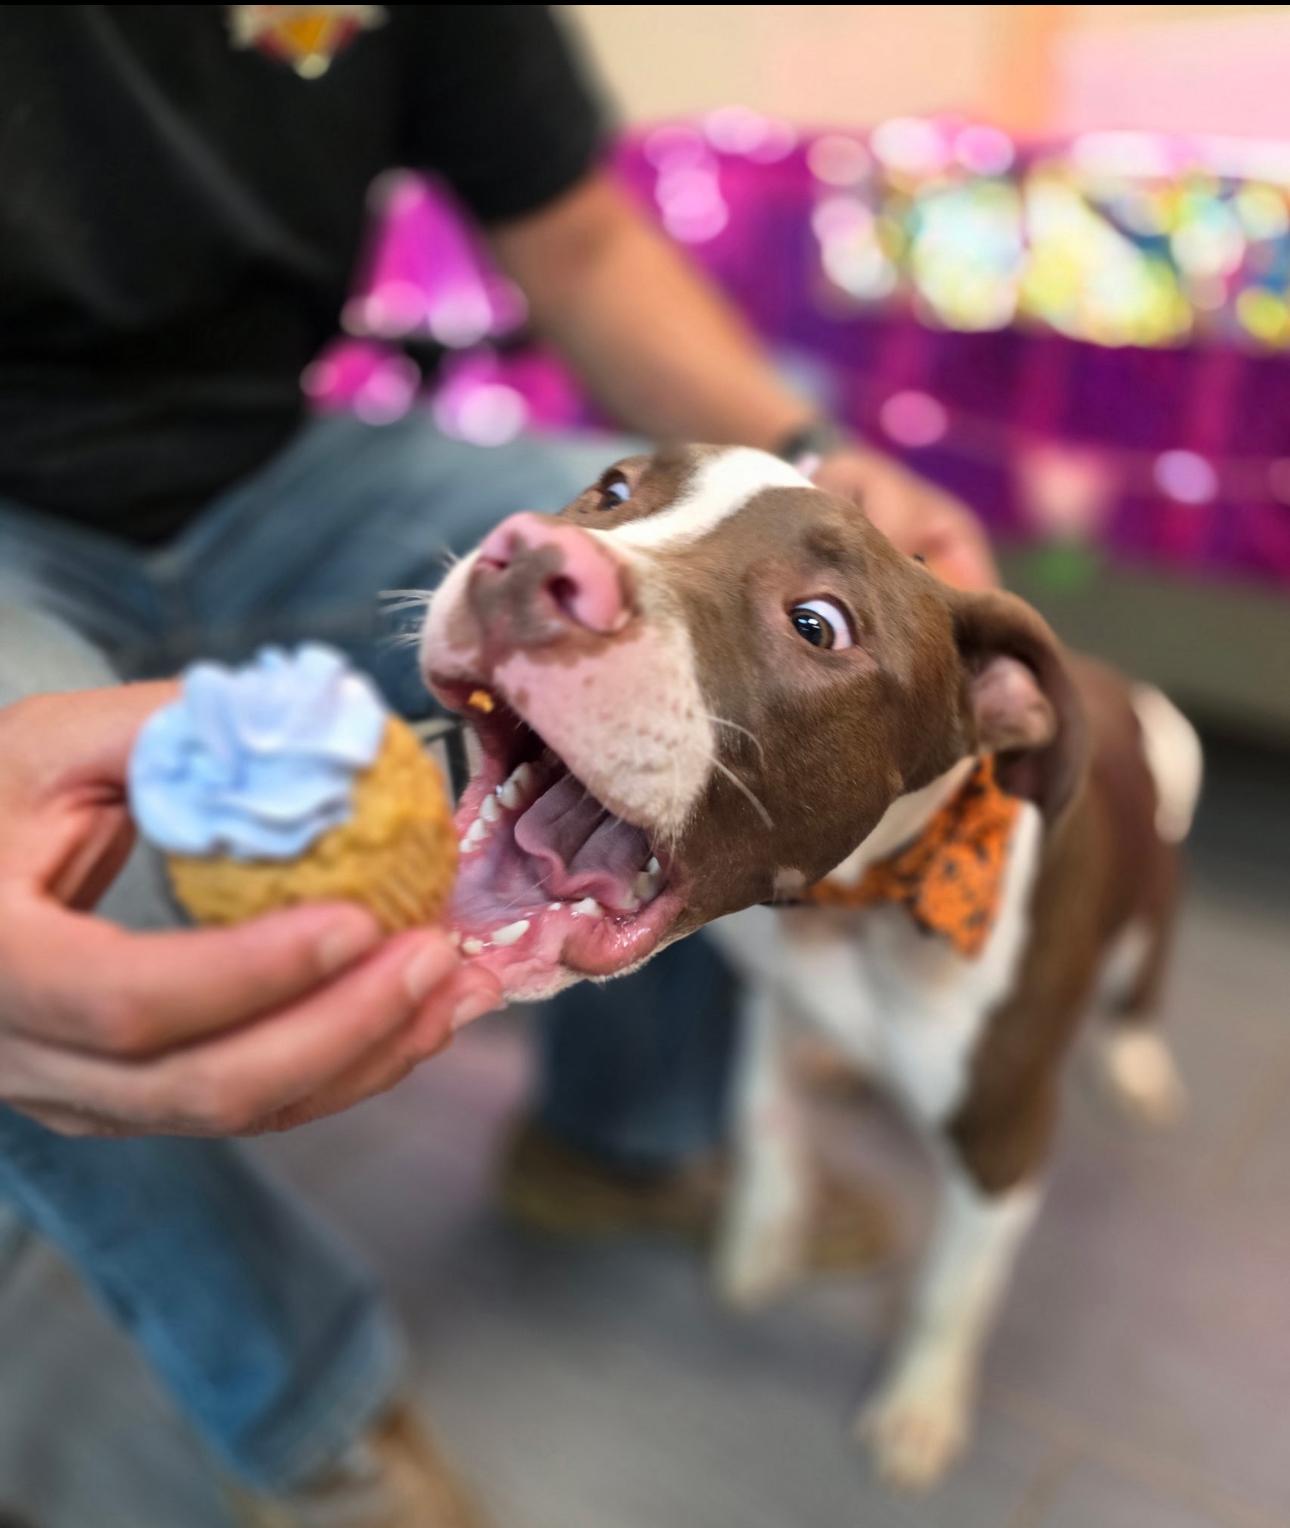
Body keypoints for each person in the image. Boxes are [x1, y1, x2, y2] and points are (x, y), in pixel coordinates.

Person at [0, 7, 996, 1525]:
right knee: (42, 936)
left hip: (275, 462)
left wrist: (816, 466)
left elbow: (581, 243)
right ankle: (312, 1416)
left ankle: (620, 1141)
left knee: (651, 587)